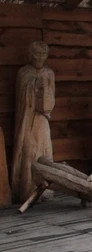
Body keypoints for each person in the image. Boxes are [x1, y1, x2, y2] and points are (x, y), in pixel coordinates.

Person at [11, 41, 55, 203]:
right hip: (28, 120)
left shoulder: (49, 73)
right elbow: (22, 96)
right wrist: (35, 85)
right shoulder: (24, 73)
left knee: (44, 151)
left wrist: (46, 95)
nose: (40, 58)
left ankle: (46, 190)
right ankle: (27, 188)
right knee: (29, 151)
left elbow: (51, 98)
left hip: (42, 120)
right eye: (37, 54)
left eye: (43, 55)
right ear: (30, 55)